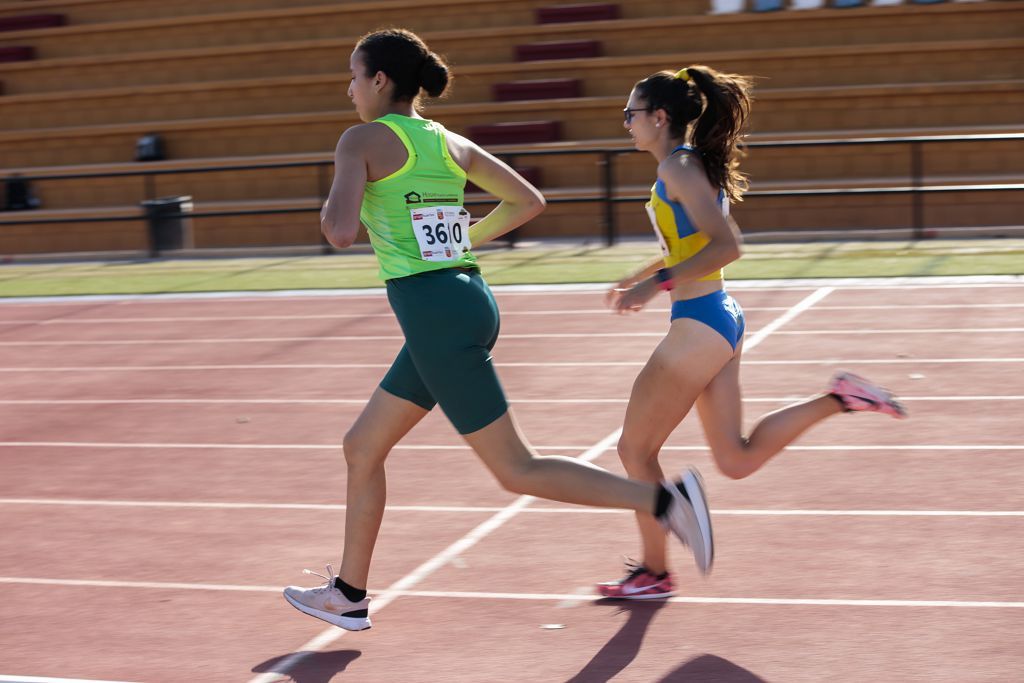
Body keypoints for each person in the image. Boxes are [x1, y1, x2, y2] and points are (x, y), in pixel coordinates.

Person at [282, 29, 715, 631]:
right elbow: (527, 200)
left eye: (354, 76)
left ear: (381, 81)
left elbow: (340, 231)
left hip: (435, 313)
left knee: (517, 469)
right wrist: (461, 241)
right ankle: (349, 592)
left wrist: (338, 189)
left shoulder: (360, 138)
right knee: (362, 446)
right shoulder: (447, 141)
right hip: (467, 300)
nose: (349, 87)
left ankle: (666, 501)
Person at [596, 66, 907, 600]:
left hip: (699, 325)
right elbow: (692, 243)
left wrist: (657, 286)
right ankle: (840, 398)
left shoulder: (678, 167)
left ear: (660, 117)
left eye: (631, 113)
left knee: (634, 450)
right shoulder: (683, 165)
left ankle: (655, 567)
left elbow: (727, 246)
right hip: (717, 318)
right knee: (735, 459)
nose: (626, 122)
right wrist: (642, 275)